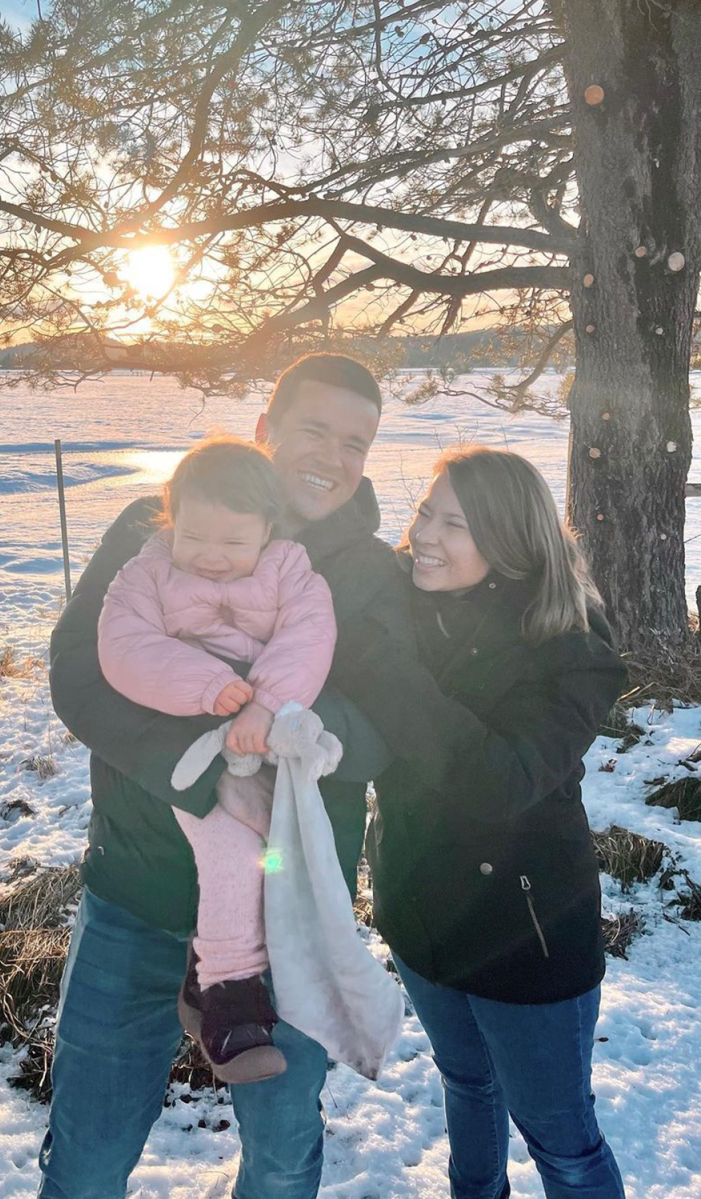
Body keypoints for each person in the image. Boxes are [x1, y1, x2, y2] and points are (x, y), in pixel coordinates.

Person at [40, 353, 412, 1199]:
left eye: (355, 441)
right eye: (313, 428)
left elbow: (388, 729)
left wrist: (285, 732)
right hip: (136, 890)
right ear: (263, 431)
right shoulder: (155, 526)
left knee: (282, 1155)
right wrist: (202, 768)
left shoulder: (371, 576)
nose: (332, 455)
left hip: (289, 911)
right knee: (87, 1157)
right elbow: (80, 671)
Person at [333, 446, 627, 1198]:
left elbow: (500, 782)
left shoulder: (572, 648)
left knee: (561, 1140)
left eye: (454, 523)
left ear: (509, 542)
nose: (425, 533)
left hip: (527, 934)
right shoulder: (401, 600)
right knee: (466, 1082)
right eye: (426, 509)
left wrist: (386, 672)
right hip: (421, 914)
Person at [97, 436, 338, 1085]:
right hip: (192, 735)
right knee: (231, 844)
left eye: (235, 542)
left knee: (279, 850)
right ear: (172, 514)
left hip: (269, 735)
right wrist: (206, 686)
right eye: (197, 535)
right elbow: (123, 646)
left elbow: (308, 636)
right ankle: (231, 991)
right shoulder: (146, 571)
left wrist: (269, 704)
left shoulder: (290, 569)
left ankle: (211, 978)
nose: (213, 556)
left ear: (268, 529)